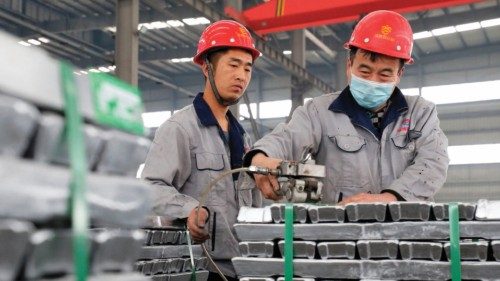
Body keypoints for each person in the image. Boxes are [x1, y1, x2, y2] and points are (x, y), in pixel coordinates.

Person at [244, 10, 449, 204]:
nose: (373, 81)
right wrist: (260, 159)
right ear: (349, 65)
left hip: (405, 232)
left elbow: (433, 163)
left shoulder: (421, 113)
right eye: (365, 71)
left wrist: (389, 199)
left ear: (399, 74)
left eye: (384, 74)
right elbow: (287, 138)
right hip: (342, 235)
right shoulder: (318, 111)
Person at [141, 20, 261, 280]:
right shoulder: (180, 129)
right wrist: (189, 210)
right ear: (206, 66)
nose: (242, 75)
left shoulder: (243, 138)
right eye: (233, 64)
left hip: (243, 269)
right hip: (200, 270)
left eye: (248, 68)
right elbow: (150, 187)